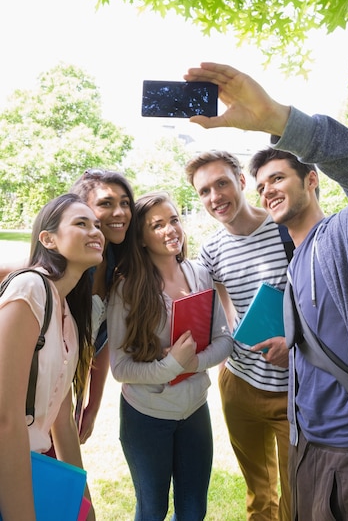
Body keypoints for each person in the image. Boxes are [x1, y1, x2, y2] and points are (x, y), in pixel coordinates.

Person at [183, 62, 348, 520]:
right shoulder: (300, 254)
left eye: (279, 178)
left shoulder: (346, 238)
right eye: (264, 183)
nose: (269, 191)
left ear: (312, 180)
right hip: (307, 433)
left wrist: (279, 121)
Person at [106, 191, 233, 521]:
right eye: (157, 225)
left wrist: (194, 363)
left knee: (193, 509)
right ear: (142, 238)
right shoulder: (127, 288)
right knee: (153, 509)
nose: (170, 229)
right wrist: (170, 366)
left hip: (194, 411)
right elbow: (120, 368)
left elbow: (224, 339)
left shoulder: (200, 274)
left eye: (174, 220)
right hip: (146, 416)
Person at [185, 149, 292, 521]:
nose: (215, 197)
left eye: (222, 183)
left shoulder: (286, 230)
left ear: (241, 182)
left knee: (297, 495)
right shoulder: (211, 250)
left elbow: (318, 305)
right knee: (259, 496)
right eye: (204, 191)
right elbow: (217, 307)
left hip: (294, 387)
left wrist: (293, 344)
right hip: (240, 382)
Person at [0, 193, 105, 520]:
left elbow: (62, 421)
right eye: (81, 223)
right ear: (49, 239)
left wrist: (84, 505)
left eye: (97, 225)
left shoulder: (68, 318)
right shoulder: (29, 289)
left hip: (36, 468)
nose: (96, 231)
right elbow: (6, 418)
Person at [69, 169, 136, 442]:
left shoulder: (115, 262)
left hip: (69, 393)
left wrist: (91, 408)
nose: (120, 212)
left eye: (125, 203)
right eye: (106, 203)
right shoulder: (66, 263)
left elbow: (101, 341)